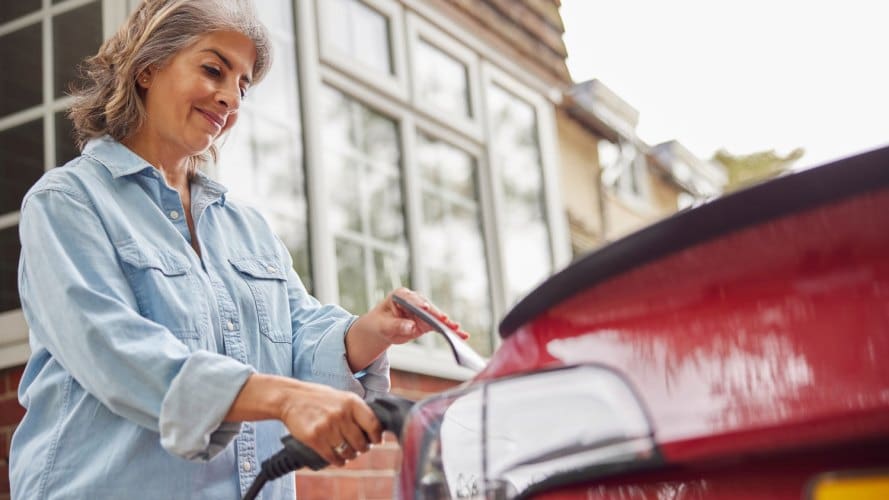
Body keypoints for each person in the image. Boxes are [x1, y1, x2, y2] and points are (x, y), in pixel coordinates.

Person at [9, 1, 467, 498]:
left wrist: (368, 332)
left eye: (243, 86)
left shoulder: (245, 225)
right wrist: (282, 399)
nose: (231, 98)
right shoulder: (67, 203)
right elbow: (114, 352)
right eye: (213, 70)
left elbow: (296, 335)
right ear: (147, 69)